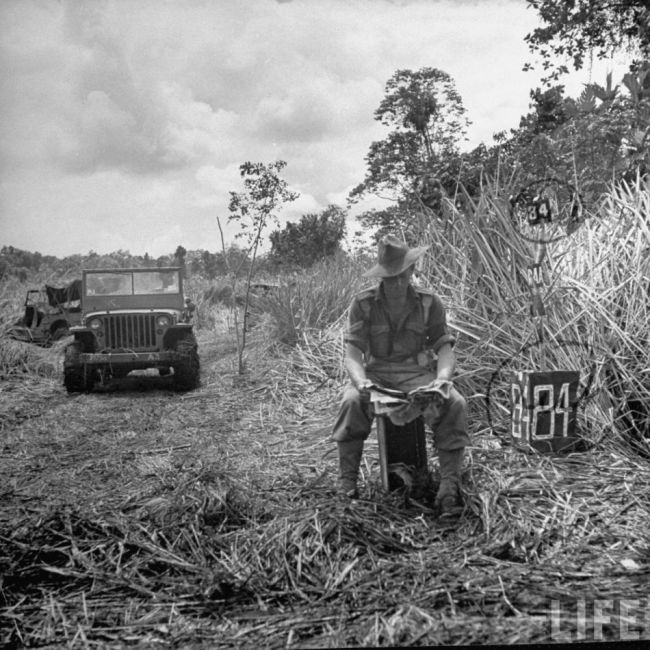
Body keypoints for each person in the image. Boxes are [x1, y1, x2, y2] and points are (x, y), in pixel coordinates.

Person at [331, 234, 469, 515]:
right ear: (381, 277)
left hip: (419, 375)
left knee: (455, 403)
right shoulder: (363, 303)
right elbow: (353, 355)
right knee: (351, 403)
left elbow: (444, 348)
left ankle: (449, 488)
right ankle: (347, 485)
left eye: (401, 277)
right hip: (377, 375)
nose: (395, 284)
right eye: (389, 278)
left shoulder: (430, 303)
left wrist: (442, 379)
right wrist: (362, 383)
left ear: (410, 272)